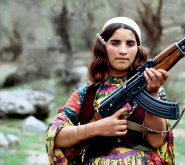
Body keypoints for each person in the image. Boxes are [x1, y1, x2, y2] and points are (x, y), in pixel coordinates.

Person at [45, 17, 175, 165]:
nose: (123, 50)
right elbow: (55, 136)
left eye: (130, 44)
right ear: (103, 47)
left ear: (137, 50)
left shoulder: (152, 88)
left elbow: (156, 141)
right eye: (115, 43)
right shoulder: (85, 94)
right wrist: (95, 128)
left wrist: (153, 93)